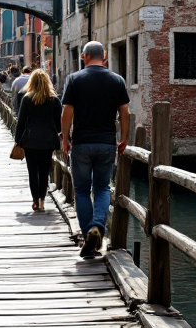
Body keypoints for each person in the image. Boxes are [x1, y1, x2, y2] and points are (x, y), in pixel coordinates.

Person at [61, 41, 130, 259]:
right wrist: (124, 138)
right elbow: (125, 113)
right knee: (101, 188)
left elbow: (66, 113)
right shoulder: (117, 80)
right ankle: (97, 225)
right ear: (105, 56)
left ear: (85, 56)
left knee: (82, 190)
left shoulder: (74, 79)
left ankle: (88, 236)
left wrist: (65, 139)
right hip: (107, 143)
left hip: (82, 143)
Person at [15, 69, 62, 212]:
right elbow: (59, 123)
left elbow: (21, 122)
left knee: (32, 171)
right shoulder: (54, 100)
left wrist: (17, 141)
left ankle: (35, 199)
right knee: (44, 171)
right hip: (48, 140)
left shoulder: (27, 98)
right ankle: (42, 199)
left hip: (30, 140)